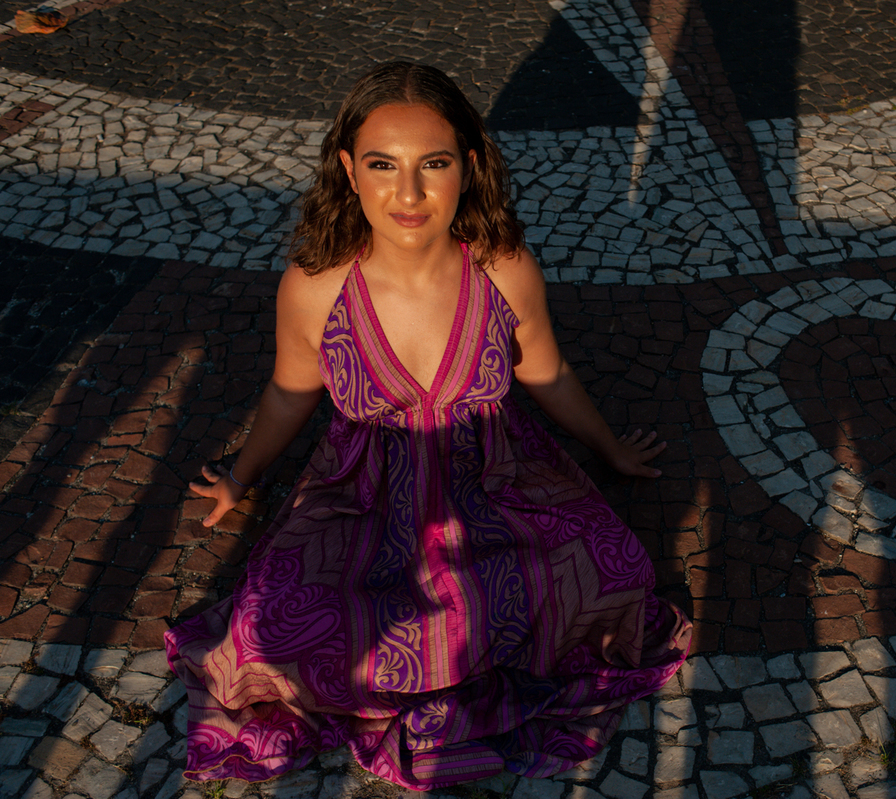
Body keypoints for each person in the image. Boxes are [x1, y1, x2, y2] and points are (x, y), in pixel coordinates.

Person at [163, 61, 693, 790]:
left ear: (469, 168)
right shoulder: (316, 286)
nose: (407, 193)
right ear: (348, 171)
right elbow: (289, 392)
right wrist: (241, 475)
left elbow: (546, 371)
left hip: (494, 479)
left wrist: (606, 447)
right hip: (365, 496)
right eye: (382, 164)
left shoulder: (503, 270)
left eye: (433, 164)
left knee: (612, 577)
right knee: (265, 626)